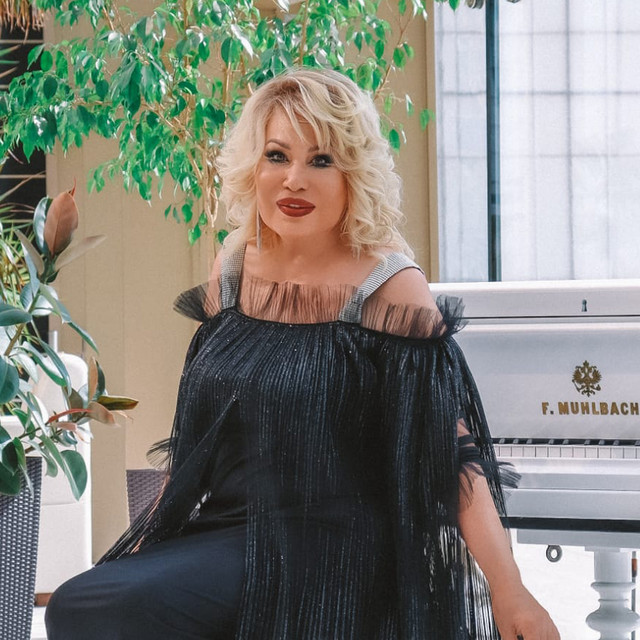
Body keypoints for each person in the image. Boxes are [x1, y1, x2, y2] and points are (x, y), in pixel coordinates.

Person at [46, 68, 560, 640]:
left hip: (337, 547)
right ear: (254, 167)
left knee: (102, 610)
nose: (294, 180)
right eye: (277, 156)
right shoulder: (231, 272)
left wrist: (510, 589)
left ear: (353, 175)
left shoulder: (389, 285)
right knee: (79, 604)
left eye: (321, 160)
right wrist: (152, 535)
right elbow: (197, 442)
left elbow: (451, 455)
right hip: (228, 532)